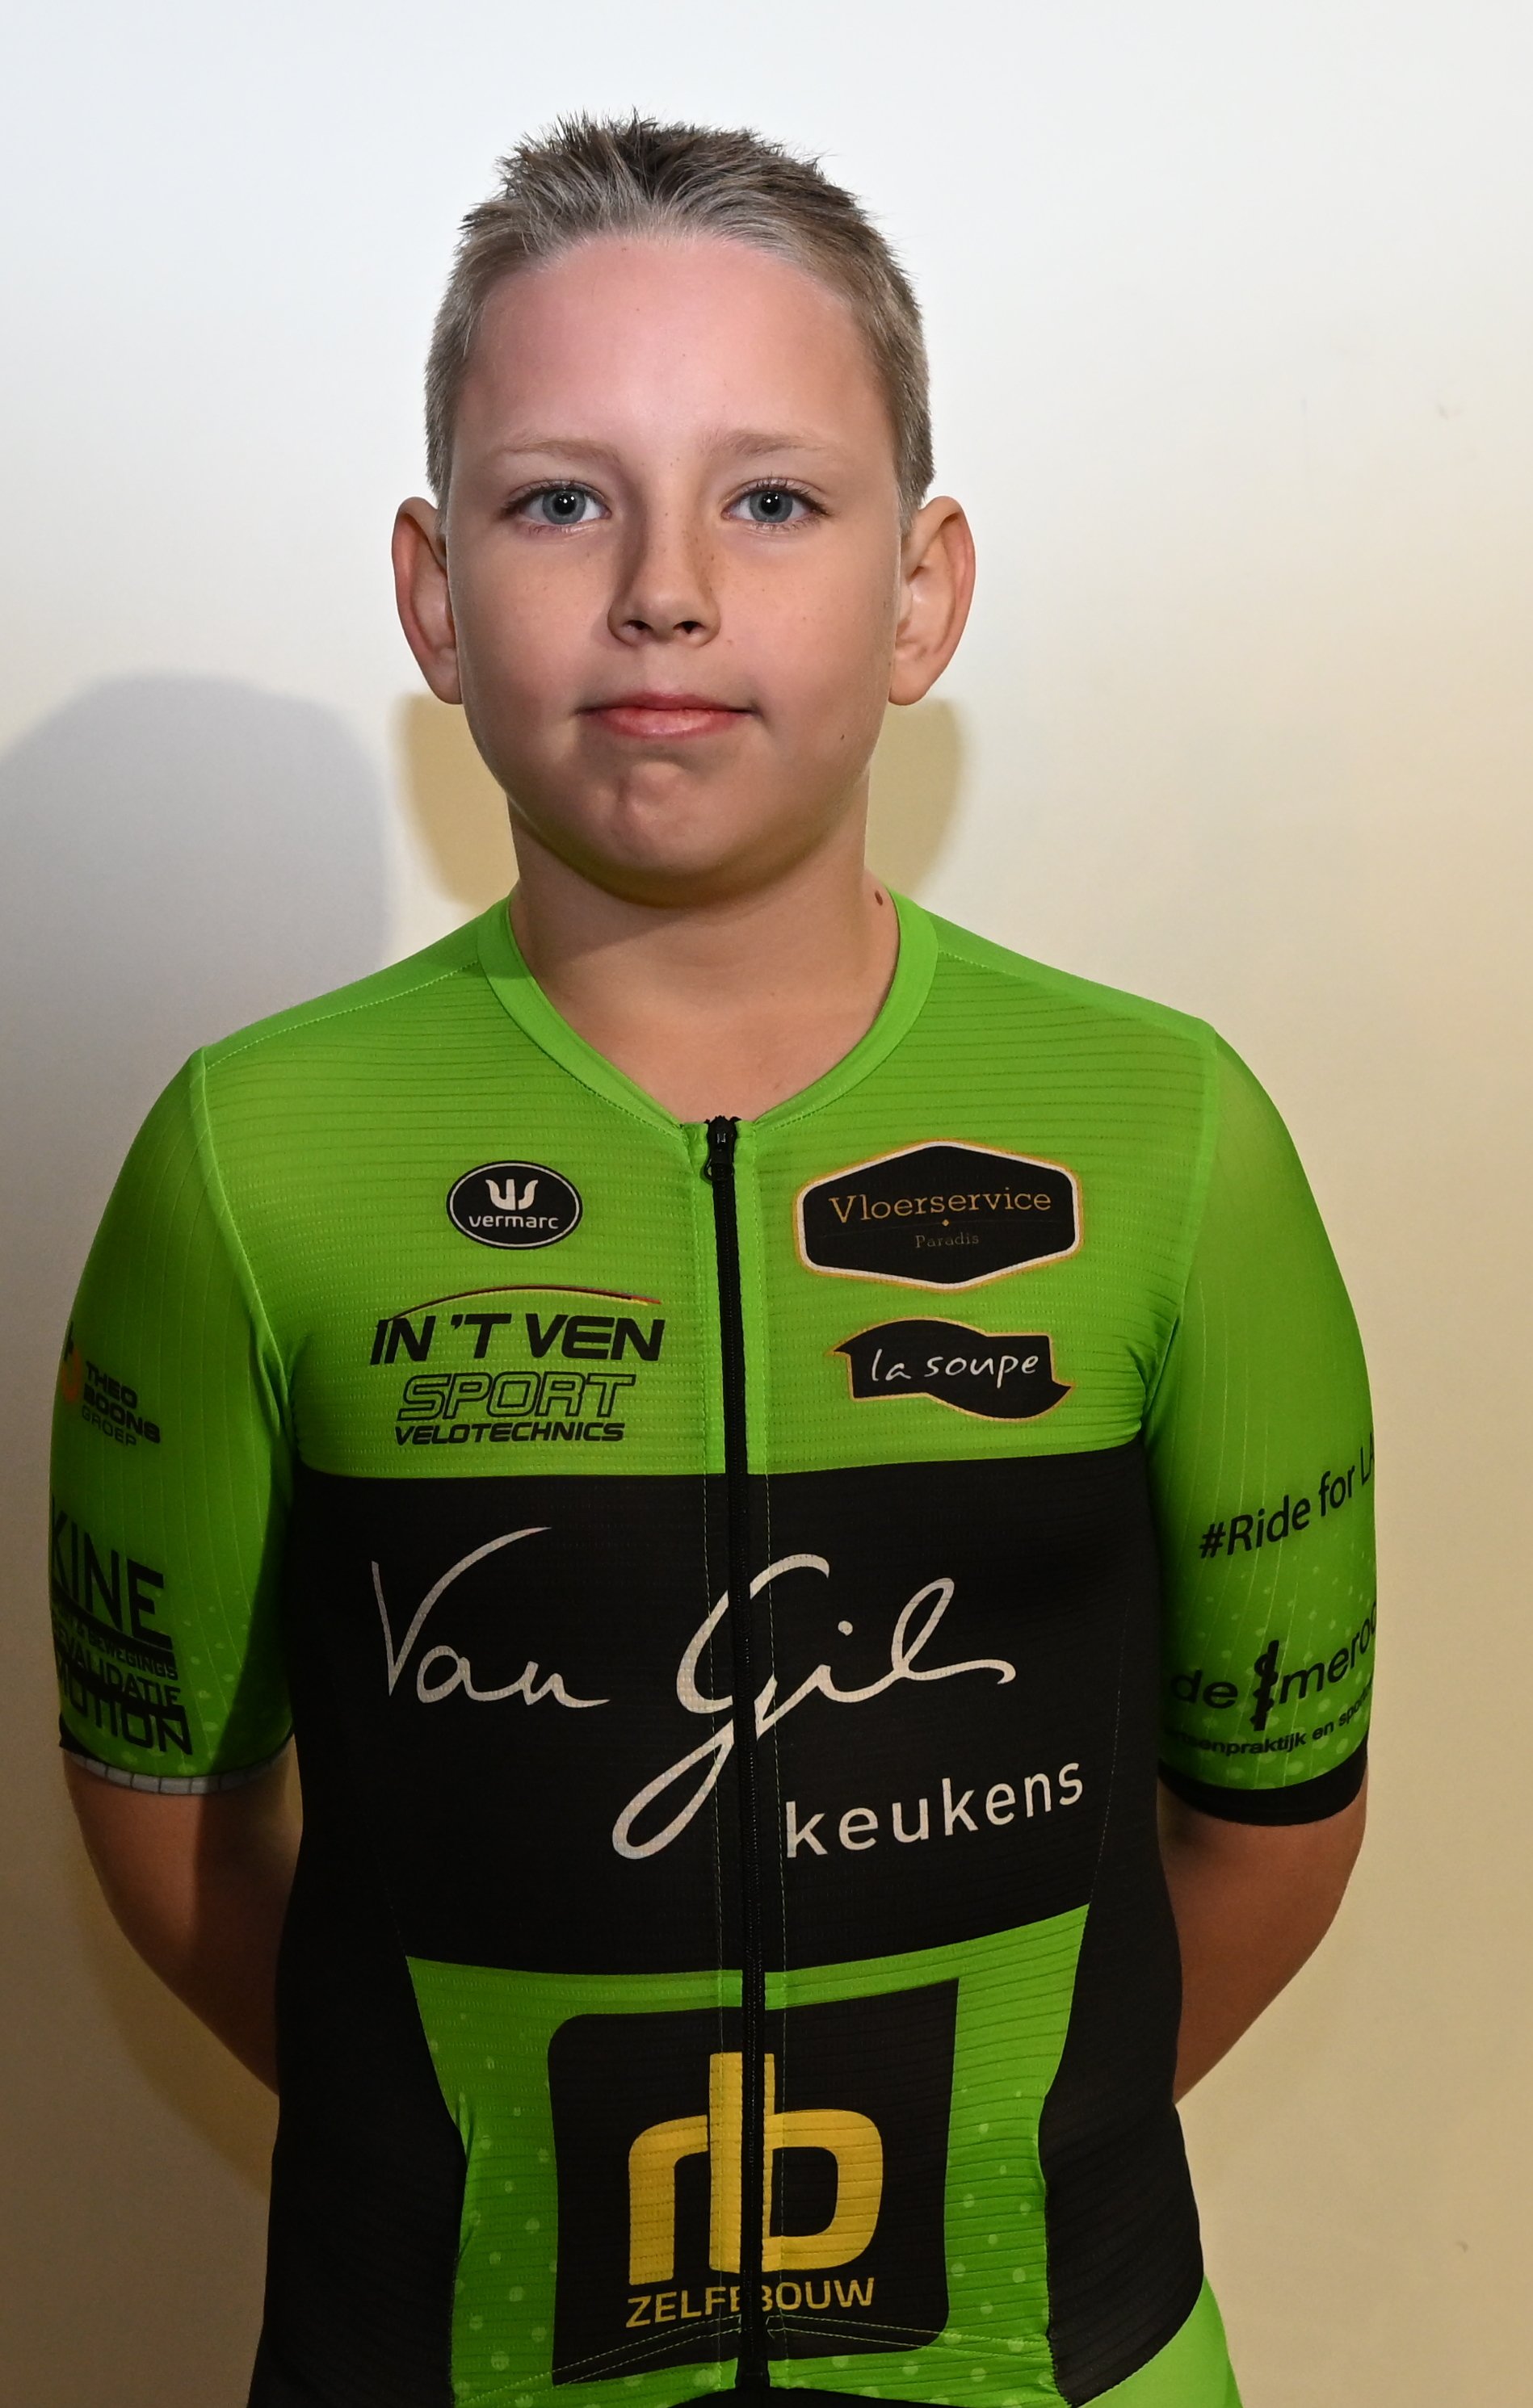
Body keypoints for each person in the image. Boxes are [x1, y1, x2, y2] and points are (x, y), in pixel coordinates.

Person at [49, 116, 1374, 2408]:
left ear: (922, 592)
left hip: (1057, 2359)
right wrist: (483, 2167)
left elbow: (1270, 1833)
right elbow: (171, 1837)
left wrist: (988, 2167)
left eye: (770, 499)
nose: (663, 588)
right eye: (560, 499)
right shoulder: (247, 1160)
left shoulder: (1169, 1139)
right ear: (432, 593)